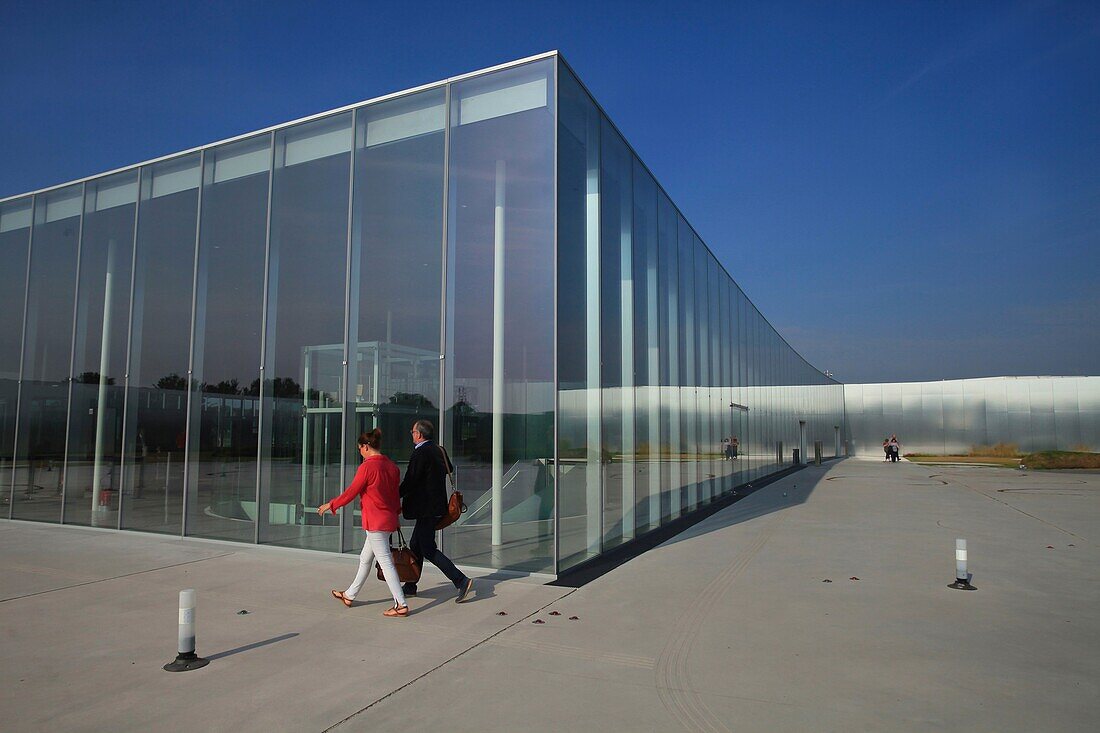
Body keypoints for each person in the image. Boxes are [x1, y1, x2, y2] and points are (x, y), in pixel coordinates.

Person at [318, 429, 409, 617]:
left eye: (360, 448)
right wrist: (396, 516)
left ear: (366, 447)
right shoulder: (392, 467)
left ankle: (401, 604)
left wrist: (331, 504)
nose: (360, 452)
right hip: (387, 519)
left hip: (375, 521)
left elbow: (351, 492)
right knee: (365, 558)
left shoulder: (367, 467)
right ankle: (350, 595)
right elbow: (395, 497)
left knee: (385, 562)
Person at [399, 419, 474, 603]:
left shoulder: (420, 453)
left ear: (419, 434)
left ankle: (460, 580)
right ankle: (410, 585)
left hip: (425, 509)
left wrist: (395, 495)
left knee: (428, 548)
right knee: (416, 545)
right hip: (436, 507)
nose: (412, 434)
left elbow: (411, 480)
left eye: (413, 431)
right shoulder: (439, 449)